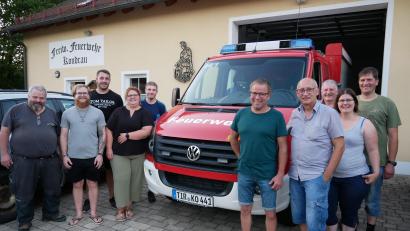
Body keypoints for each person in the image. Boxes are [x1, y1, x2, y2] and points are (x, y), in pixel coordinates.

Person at [0, 85, 66, 231]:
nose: (38, 100)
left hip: (50, 160)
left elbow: (58, 135)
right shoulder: (15, 111)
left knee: (53, 189)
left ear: (45, 99)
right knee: (24, 192)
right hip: (24, 161)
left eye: (42, 98)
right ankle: (24, 221)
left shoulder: (51, 113)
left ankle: (51, 214)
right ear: (28, 97)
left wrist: (62, 154)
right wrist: (4, 154)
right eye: (35, 97)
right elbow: (4, 132)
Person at [229, 79, 288, 231]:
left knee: (270, 213)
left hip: (267, 174)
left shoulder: (277, 117)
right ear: (250, 94)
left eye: (262, 94)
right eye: (254, 93)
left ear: (269, 96)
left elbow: (283, 147)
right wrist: (239, 156)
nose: (257, 97)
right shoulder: (241, 114)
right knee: (245, 210)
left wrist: (280, 174)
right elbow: (232, 138)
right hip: (245, 172)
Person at [287, 78, 344, 231]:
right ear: (297, 93)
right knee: (299, 216)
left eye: (309, 89)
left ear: (317, 91)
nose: (305, 93)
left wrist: (327, 175)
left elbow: (339, 145)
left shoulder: (330, 113)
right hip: (295, 176)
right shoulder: (294, 113)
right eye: (301, 91)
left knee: (316, 222)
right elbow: (284, 138)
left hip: (316, 177)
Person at [327, 88, 380, 231]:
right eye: (341, 100)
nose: (345, 103)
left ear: (355, 102)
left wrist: (376, 172)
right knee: (328, 215)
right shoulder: (329, 121)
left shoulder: (365, 123)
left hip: (355, 178)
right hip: (329, 177)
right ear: (337, 103)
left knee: (349, 217)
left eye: (348, 100)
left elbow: (373, 149)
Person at [356, 67, 401, 231]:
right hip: (353, 161)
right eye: (362, 80)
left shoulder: (387, 103)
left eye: (369, 80)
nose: (365, 83)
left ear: (376, 81)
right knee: (352, 197)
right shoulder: (351, 101)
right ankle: (351, 224)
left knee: (372, 199)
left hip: (377, 162)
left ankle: (370, 227)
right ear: (359, 82)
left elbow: (393, 135)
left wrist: (391, 163)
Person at [60, 84, 106, 226]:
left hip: (93, 156)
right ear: (74, 95)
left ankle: (93, 213)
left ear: (89, 95)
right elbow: (63, 135)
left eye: (85, 93)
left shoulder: (98, 113)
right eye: (79, 93)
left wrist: (100, 154)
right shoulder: (67, 113)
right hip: (73, 157)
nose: (82, 95)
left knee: (92, 184)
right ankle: (79, 214)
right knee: (77, 185)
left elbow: (103, 134)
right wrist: (65, 155)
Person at [106, 87, 153, 221]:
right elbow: (109, 129)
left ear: (139, 97)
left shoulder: (145, 113)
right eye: (129, 95)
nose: (132, 97)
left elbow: (146, 131)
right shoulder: (118, 112)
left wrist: (128, 135)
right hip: (119, 153)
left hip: (138, 154)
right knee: (121, 180)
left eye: (135, 95)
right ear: (126, 97)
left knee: (135, 181)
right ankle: (120, 209)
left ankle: (129, 206)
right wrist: (108, 148)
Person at [89, 69, 123, 209]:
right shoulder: (89, 96)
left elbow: (120, 119)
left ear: (109, 80)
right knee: (90, 170)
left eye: (106, 78)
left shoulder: (116, 98)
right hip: (91, 139)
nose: (104, 80)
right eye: (101, 78)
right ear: (96, 79)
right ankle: (88, 199)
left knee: (110, 170)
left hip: (110, 139)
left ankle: (112, 196)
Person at [141, 81, 166, 203]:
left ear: (156, 92)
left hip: (153, 141)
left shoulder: (161, 106)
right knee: (139, 167)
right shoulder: (140, 104)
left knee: (151, 166)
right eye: (149, 89)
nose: (151, 92)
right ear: (145, 90)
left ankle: (151, 191)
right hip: (140, 139)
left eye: (153, 90)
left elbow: (163, 123)